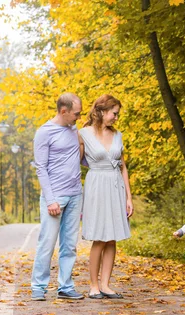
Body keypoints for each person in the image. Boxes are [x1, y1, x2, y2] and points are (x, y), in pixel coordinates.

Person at [31, 93, 85, 301]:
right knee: (47, 242)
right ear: (64, 111)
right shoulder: (44, 133)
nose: (78, 117)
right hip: (55, 197)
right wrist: (51, 199)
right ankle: (38, 286)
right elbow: (41, 168)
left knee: (70, 244)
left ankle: (65, 286)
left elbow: (80, 155)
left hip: (74, 195)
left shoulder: (73, 129)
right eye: (76, 113)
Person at [78, 94, 133, 300]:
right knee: (100, 237)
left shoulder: (118, 135)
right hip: (97, 185)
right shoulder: (83, 134)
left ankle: (106, 285)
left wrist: (128, 197)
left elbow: (123, 166)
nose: (116, 118)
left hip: (115, 185)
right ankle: (93, 285)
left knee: (112, 238)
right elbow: (76, 161)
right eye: (114, 113)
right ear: (101, 112)